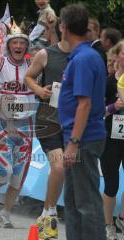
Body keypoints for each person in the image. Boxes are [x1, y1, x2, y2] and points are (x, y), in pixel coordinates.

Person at [0, 9, 35, 228]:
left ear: (26, 46)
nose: (19, 46)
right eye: (15, 43)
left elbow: (53, 51)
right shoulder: (1, 63)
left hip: (26, 126)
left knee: (18, 175)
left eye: (22, 43)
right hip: (3, 123)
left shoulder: (33, 65)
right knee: (5, 170)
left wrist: (50, 29)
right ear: (8, 45)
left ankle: (6, 214)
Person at [58, 4, 107, 240]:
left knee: (86, 202)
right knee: (74, 200)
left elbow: (84, 104)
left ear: (64, 28)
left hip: (83, 140)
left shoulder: (84, 59)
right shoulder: (84, 56)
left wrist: (74, 142)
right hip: (78, 138)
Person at [24, 24, 70, 239]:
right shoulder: (46, 53)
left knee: (66, 170)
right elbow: (28, 77)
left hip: (73, 123)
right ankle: (49, 213)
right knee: (58, 166)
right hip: (48, 121)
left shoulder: (86, 56)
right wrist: (39, 90)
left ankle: (48, 211)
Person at [101, 40, 124, 240]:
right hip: (110, 138)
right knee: (112, 184)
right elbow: (95, 111)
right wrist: (112, 107)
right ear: (117, 56)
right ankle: (108, 225)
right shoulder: (108, 82)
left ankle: (122, 219)